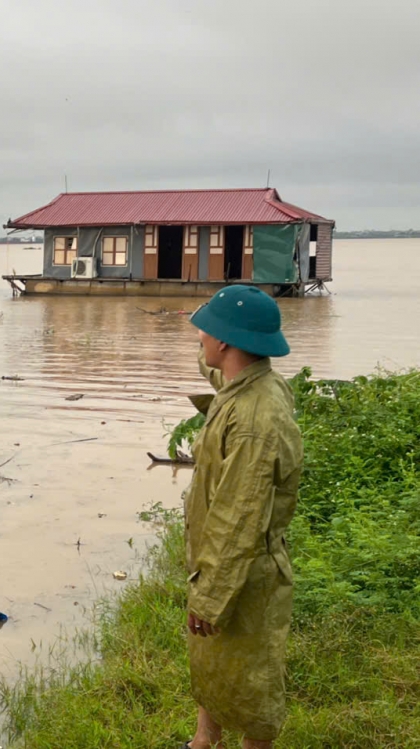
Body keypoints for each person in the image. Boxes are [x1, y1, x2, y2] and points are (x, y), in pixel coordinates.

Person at [183, 285, 304, 749]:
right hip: (224, 565)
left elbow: (240, 517)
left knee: (252, 680)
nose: (199, 334)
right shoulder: (248, 380)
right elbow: (216, 371)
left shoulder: (256, 421)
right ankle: (203, 740)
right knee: (213, 660)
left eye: (206, 329)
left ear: (227, 343)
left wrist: (211, 597)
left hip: (246, 571)